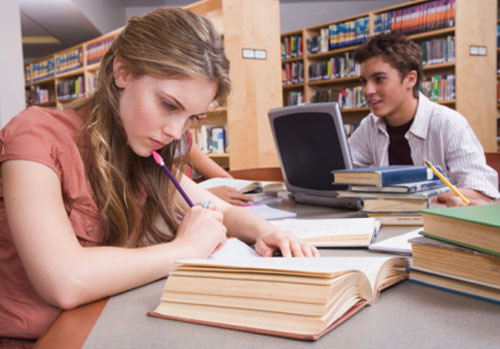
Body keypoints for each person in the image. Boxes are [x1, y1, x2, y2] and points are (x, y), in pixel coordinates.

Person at [0, 8, 318, 342]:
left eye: (193, 117)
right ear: (122, 72)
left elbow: (217, 209)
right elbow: (64, 281)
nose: (175, 131)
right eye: (168, 105)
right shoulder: (35, 135)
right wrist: (184, 249)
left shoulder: (144, 153)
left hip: (107, 324)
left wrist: (266, 231)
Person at [349, 32, 500, 203]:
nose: (368, 91)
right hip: (390, 224)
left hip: (439, 226)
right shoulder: (370, 125)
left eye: (379, 79)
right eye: (363, 81)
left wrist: (422, 194)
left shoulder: (449, 124)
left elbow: (484, 193)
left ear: (410, 79)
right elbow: (342, 172)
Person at [184, 131, 255, 205]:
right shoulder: (176, 138)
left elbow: (224, 178)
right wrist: (207, 195)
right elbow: (172, 196)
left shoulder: (183, 140)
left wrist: (235, 192)